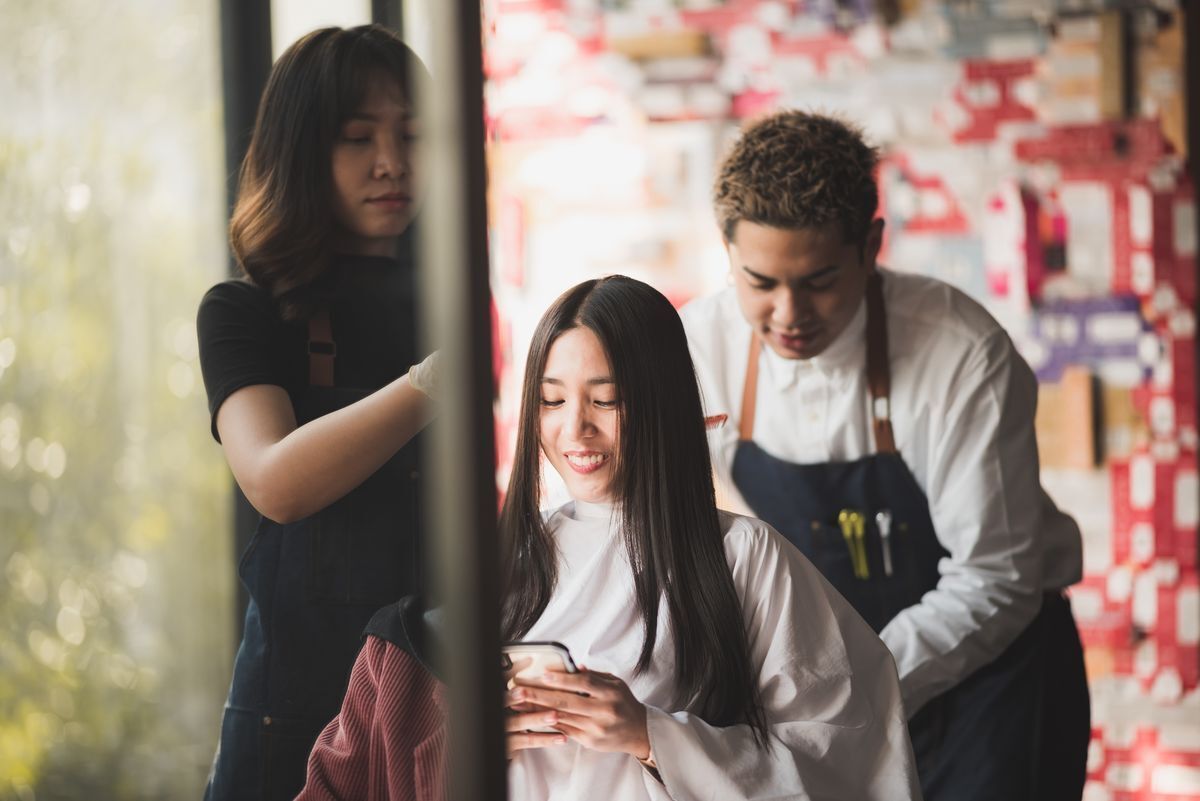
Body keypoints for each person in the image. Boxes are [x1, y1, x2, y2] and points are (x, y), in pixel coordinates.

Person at [297, 275, 921, 800]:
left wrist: (651, 735)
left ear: (663, 404)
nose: (576, 430)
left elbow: (846, 758)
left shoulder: (744, 558)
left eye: (608, 400)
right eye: (551, 400)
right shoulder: (511, 560)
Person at [679, 110, 1091, 800]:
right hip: (836, 693)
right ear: (726, 252)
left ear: (872, 245)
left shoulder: (960, 351)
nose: (788, 313)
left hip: (993, 684)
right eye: (760, 282)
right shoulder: (696, 347)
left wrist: (849, 691)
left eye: (817, 280)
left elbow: (997, 577)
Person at [196, 25, 438, 801]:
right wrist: (432, 383)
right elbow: (274, 480)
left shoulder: (454, 293)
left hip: (435, 685)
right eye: (356, 137)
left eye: (413, 135)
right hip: (300, 700)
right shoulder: (243, 311)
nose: (391, 162)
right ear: (300, 151)